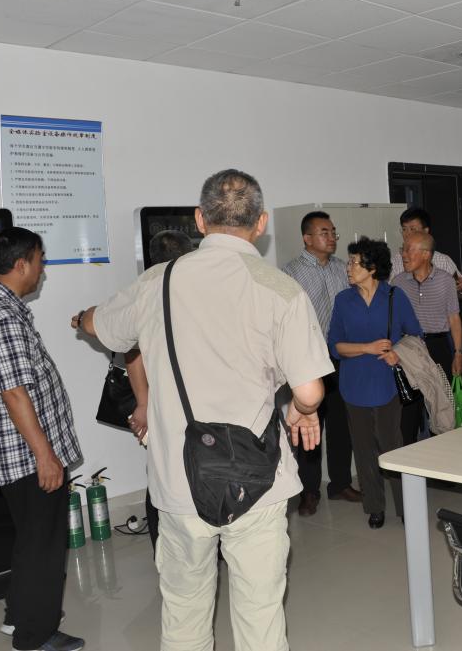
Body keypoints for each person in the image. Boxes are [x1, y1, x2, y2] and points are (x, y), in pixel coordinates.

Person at [73, 169, 328, 651]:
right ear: (261, 223)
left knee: (184, 611)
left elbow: (99, 326)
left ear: (199, 219)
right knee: (260, 614)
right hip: (257, 479)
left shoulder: (157, 281)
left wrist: (81, 318)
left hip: (179, 479)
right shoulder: (279, 288)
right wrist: (302, 408)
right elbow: (311, 391)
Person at [0, 227, 84, 651]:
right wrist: (45, 456)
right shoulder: (2, 317)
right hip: (27, 457)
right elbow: (14, 393)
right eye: (40, 259)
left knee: (32, 540)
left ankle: (19, 615)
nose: (43, 268)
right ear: (21, 265)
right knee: (44, 547)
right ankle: (36, 635)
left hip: (19, 454)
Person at [328, 237, 422, 529]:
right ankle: (375, 506)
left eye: (354, 262)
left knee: (393, 447)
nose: (348, 267)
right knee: (363, 449)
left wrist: (398, 353)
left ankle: (406, 506)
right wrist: (366, 348)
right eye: (349, 262)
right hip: (353, 385)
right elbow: (335, 346)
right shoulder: (343, 300)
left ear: (372, 268)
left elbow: (415, 334)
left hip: (387, 384)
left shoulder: (394, 296)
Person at [282, 211, 362, 516]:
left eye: (333, 232)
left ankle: (340, 483)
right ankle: (309, 491)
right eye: (324, 232)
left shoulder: (344, 268)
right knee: (309, 424)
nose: (331, 237)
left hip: (341, 356)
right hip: (309, 359)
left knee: (342, 423)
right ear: (307, 238)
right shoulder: (291, 272)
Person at [128, 229, 195, 553]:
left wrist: (143, 403)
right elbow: (133, 354)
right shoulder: (151, 293)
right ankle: (168, 548)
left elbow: (132, 355)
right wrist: (144, 404)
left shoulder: (142, 292)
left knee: (167, 471)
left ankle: (169, 548)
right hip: (173, 404)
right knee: (170, 473)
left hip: (171, 404)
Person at [392, 231, 462, 443]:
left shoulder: (445, 280)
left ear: (426, 254)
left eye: (408, 250)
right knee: (409, 409)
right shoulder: (397, 282)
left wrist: (458, 353)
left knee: (441, 406)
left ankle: (442, 455)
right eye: (403, 249)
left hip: (438, 346)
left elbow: (454, 319)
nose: (403, 254)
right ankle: (407, 456)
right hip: (409, 351)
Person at [391, 207, 462, 296]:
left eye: (412, 229)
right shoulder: (395, 262)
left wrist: (461, 288)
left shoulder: (443, 261)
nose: (407, 234)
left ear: (426, 231)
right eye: (404, 229)